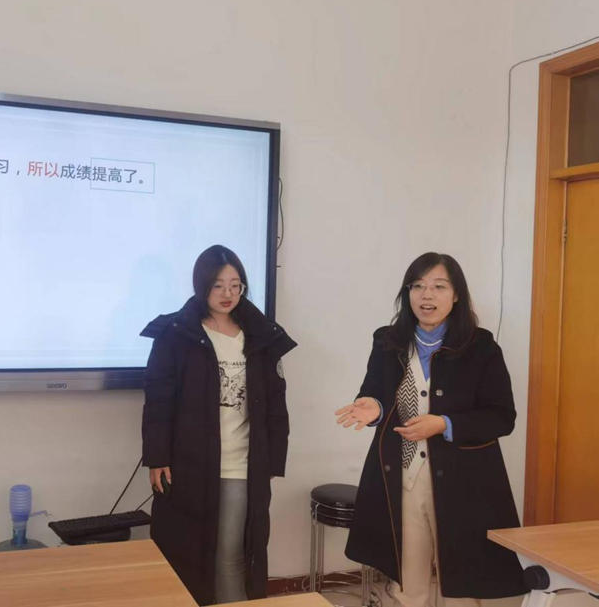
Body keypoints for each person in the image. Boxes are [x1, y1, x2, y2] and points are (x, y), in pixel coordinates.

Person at [335, 252, 527, 607]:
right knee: (408, 581)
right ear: (407, 293)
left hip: (463, 482)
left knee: (463, 581)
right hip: (403, 477)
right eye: (418, 286)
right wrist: (373, 408)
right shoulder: (388, 341)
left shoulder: (481, 347)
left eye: (439, 286)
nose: (427, 295)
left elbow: (502, 416)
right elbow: (375, 393)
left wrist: (444, 424)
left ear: (456, 295)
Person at [141, 245, 297, 605]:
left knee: (232, 554)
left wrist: (271, 462)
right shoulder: (177, 334)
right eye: (217, 285)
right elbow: (159, 401)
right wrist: (157, 457)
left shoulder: (260, 335)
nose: (228, 293)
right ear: (201, 286)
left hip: (241, 465)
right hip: (189, 466)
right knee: (184, 554)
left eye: (235, 285)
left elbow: (276, 404)